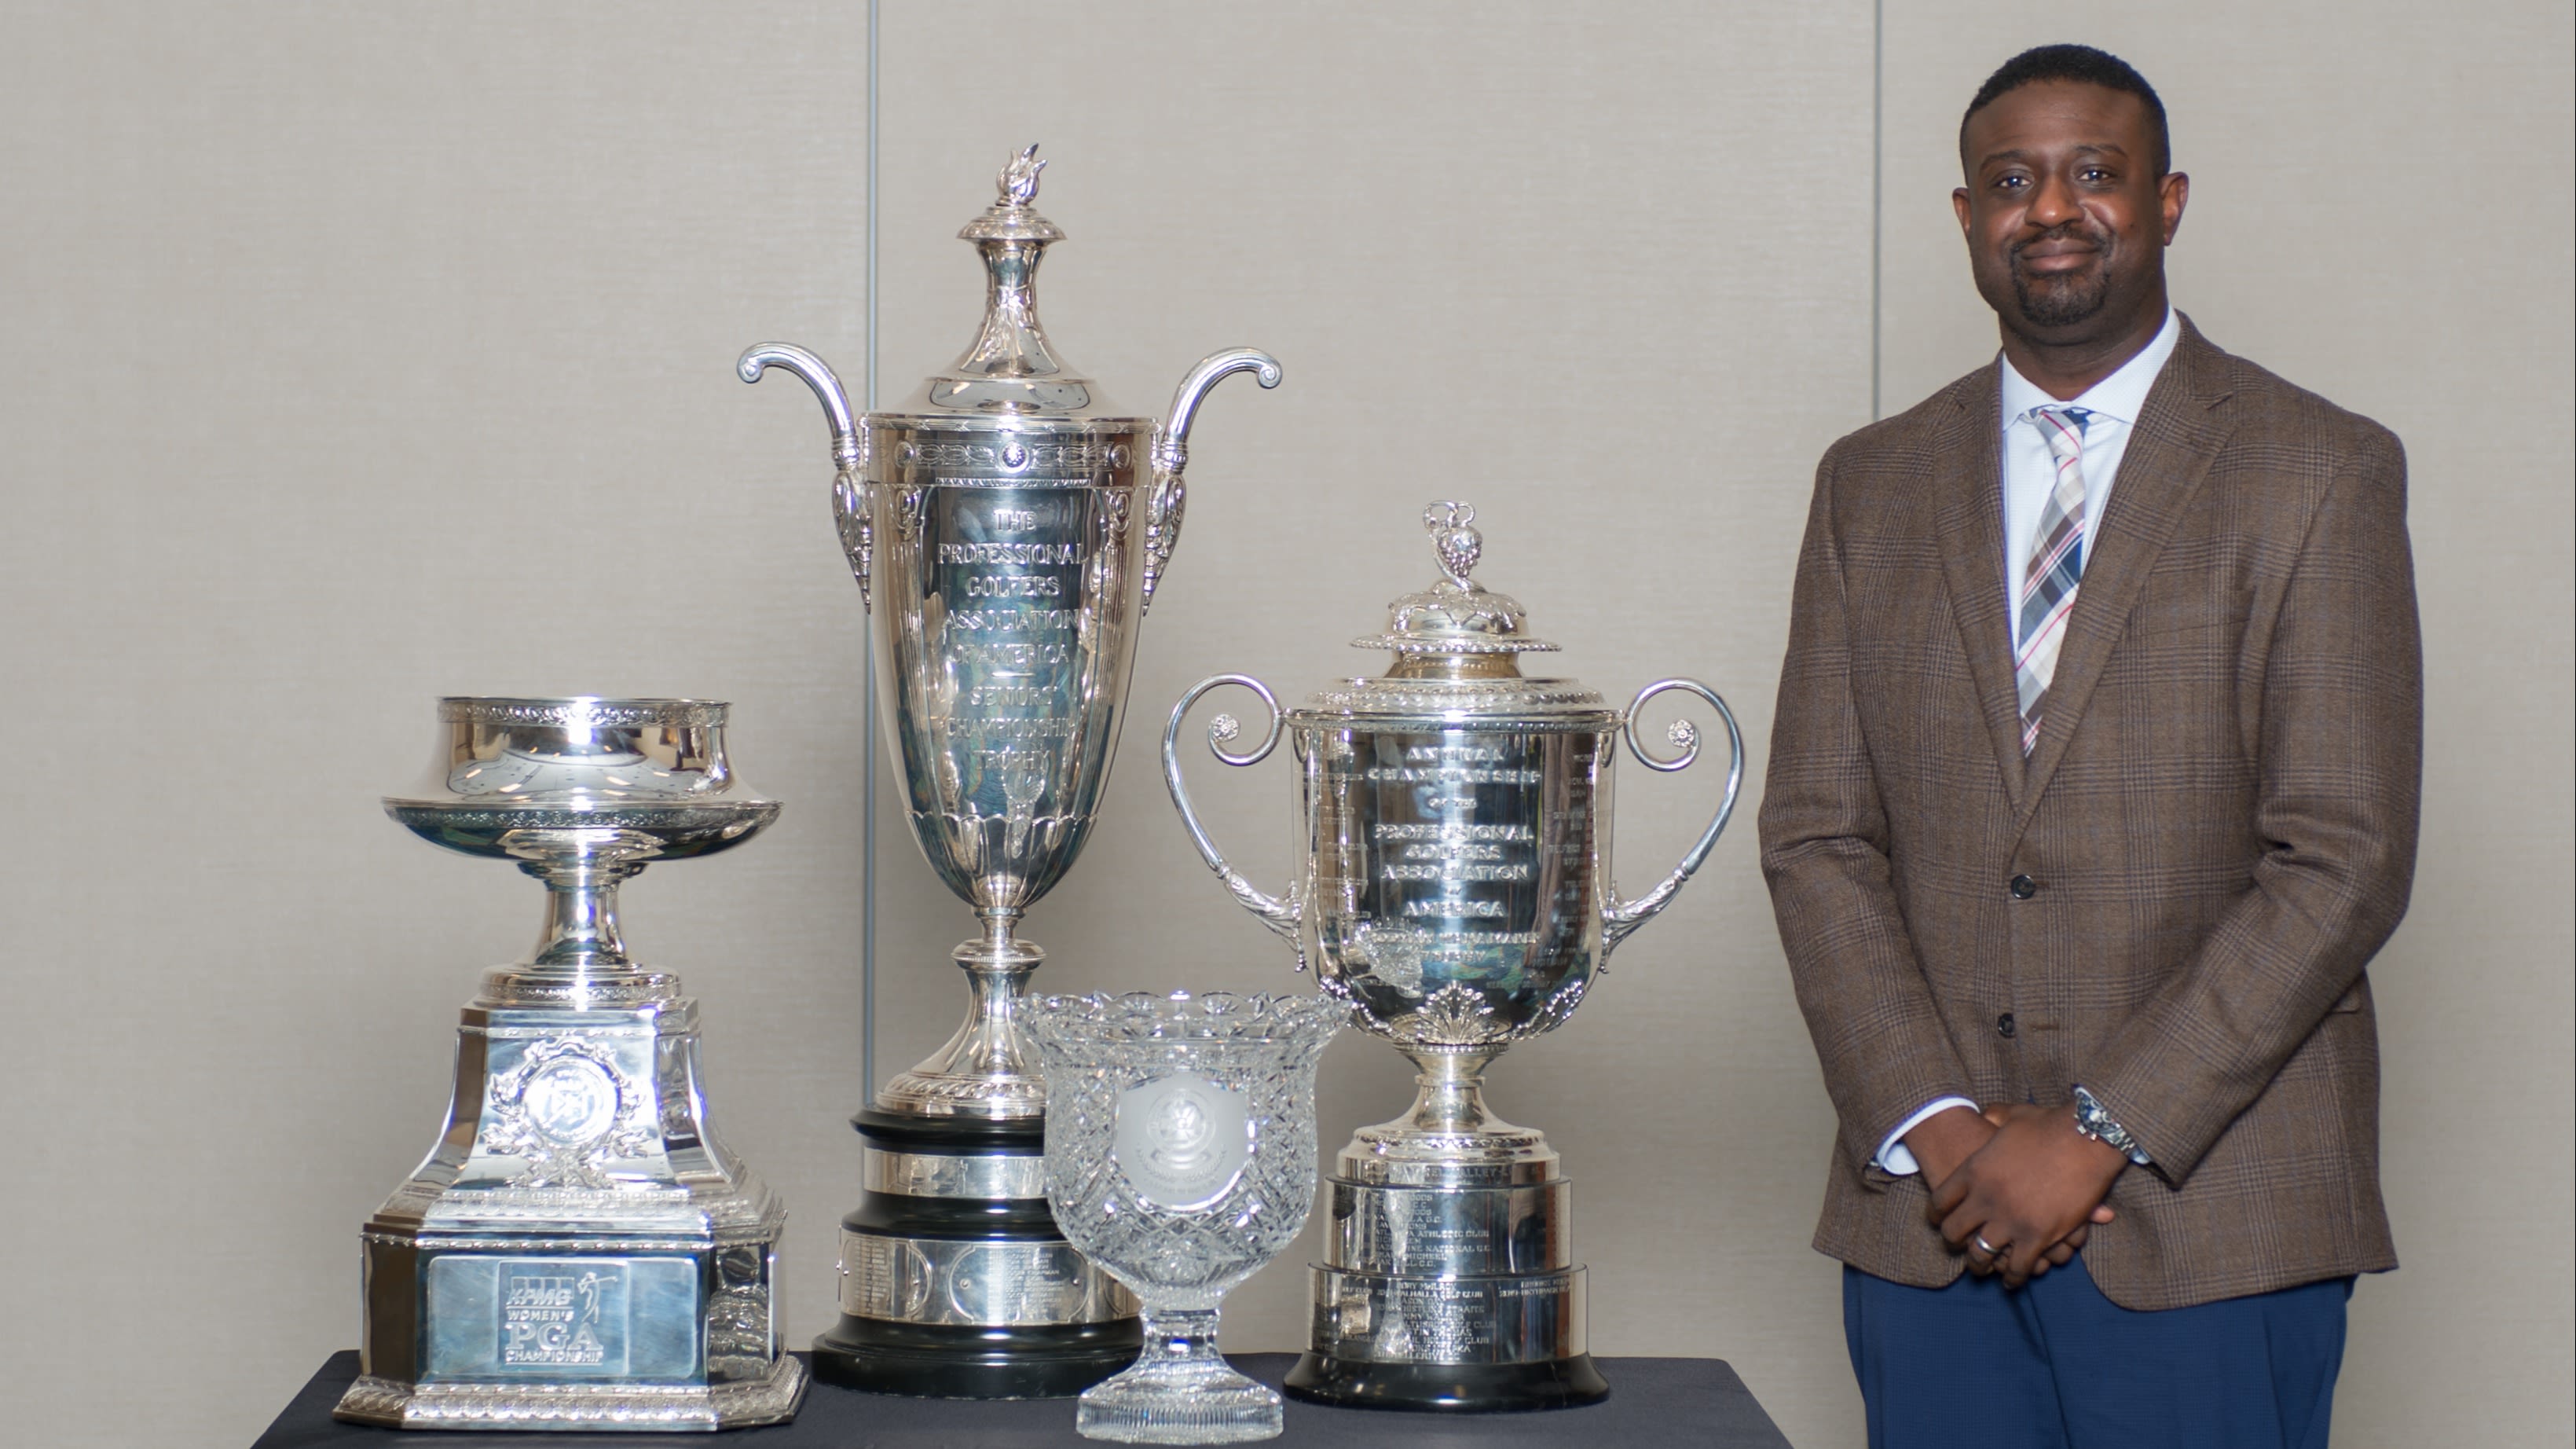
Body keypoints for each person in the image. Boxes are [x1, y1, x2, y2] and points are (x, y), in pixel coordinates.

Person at [1757, 43, 2420, 1449]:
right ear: (1966, 219)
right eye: (2012, 181)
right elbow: (1817, 833)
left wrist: (2095, 1132)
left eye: (2093, 173)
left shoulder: (2321, 469)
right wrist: (1937, 1125)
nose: (2051, 209)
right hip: (1927, 1222)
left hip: (2217, 1219)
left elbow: (2343, 858)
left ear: (2167, 202)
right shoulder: (1867, 485)